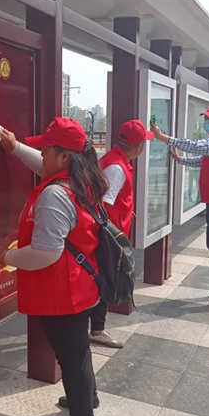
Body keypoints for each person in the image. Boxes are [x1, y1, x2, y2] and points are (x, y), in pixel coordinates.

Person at [0, 118, 107, 416]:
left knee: (71, 357)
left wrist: (5, 257)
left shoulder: (55, 195)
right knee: (78, 351)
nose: (41, 153)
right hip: (81, 284)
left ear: (65, 156)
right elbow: (44, 167)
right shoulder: (82, 178)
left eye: (46, 148)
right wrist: (15, 147)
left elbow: (45, 253)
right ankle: (87, 397)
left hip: (63, 292)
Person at [152, 105, 209, 308]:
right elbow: (203, 161)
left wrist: (163, 137)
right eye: (206, 119)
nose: (206, 123)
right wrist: (180, 160)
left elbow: (194, 146)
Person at [89, 119, 154, 349]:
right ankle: (97, 330)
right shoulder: (117, 168)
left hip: (109, 234)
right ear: (139, 147)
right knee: (106, 280)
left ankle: (97, 328)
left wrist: (126, 211)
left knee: (103, 280)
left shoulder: (114, 160)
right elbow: (102, 205)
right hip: (108, 239)